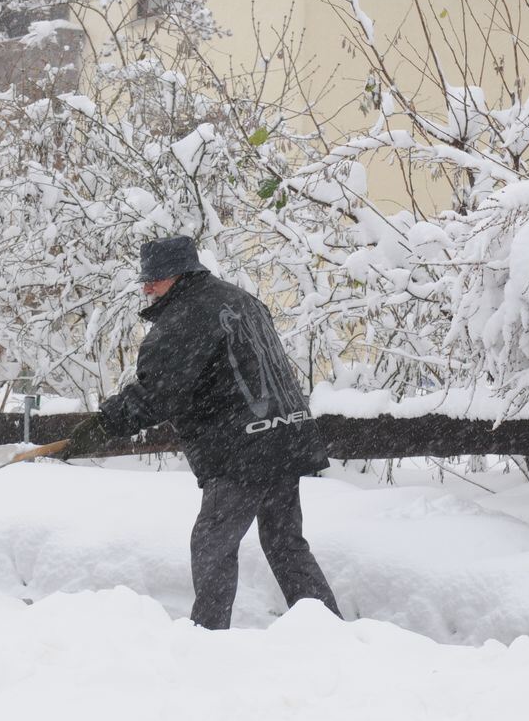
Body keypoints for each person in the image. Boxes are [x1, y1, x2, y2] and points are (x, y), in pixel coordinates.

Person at [63, 236, 341, 628]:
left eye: (155, 279)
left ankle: (208, 638)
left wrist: (103, 424)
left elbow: (158, 393)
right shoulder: (237, 299)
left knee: (213, 543)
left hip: (244, 447)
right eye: (146, 279)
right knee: (284, 543)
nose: (146, 287)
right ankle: (330, 631)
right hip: (285, 435)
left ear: (180, 274)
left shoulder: (186, 316)